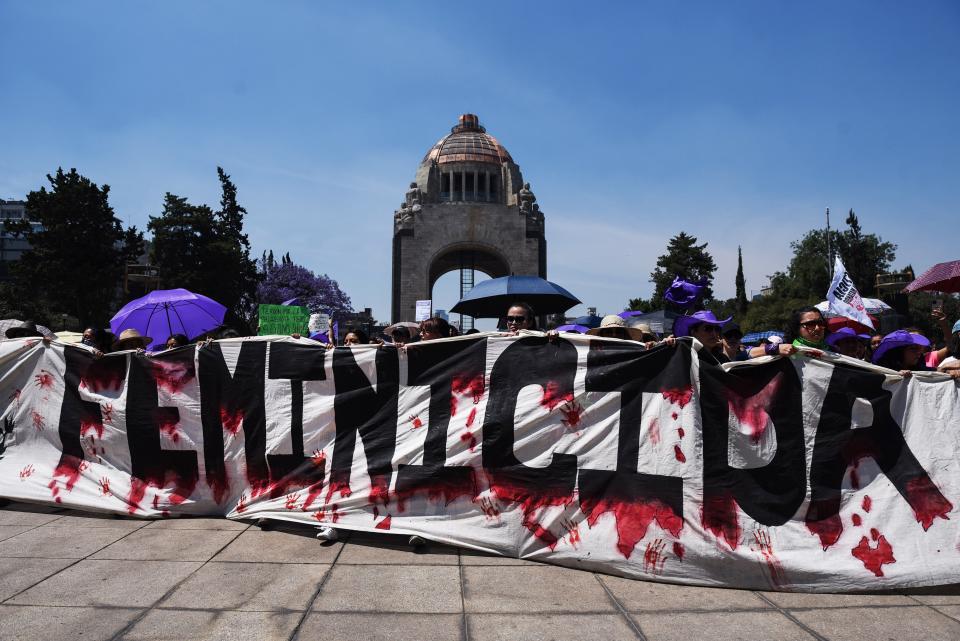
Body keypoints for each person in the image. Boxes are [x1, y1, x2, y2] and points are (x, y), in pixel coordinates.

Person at [587, 314, 652, 342]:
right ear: (601, 335)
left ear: (625, 335)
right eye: (609, 331)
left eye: (619, 331)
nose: (614, 335)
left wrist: (655, 346)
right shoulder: (592, 356)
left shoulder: (635, 353)